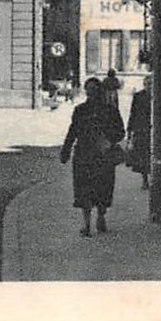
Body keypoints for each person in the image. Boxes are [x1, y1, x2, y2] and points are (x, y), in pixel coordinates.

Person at [60, 75, 126, 236]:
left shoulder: (110, 110)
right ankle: (87, 223)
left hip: (102, 155)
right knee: (84, 189)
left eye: (94, 90)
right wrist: (66, 150)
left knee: (102, 187)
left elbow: (120, 132)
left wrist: (109, 140)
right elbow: (73, 131)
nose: (92, 93)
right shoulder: (80, 110)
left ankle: (101, 216)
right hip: (84, 154)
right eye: (89, 90)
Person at [126, 76, 153, 190]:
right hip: (141, 129)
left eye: (151, 84)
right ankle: (145, 180)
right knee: (143, 156)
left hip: (153, 128)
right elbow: (133, 113)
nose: (149, 86)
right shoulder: (138, 96)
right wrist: (129, 131)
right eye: (147, 84)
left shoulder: (158, 96)